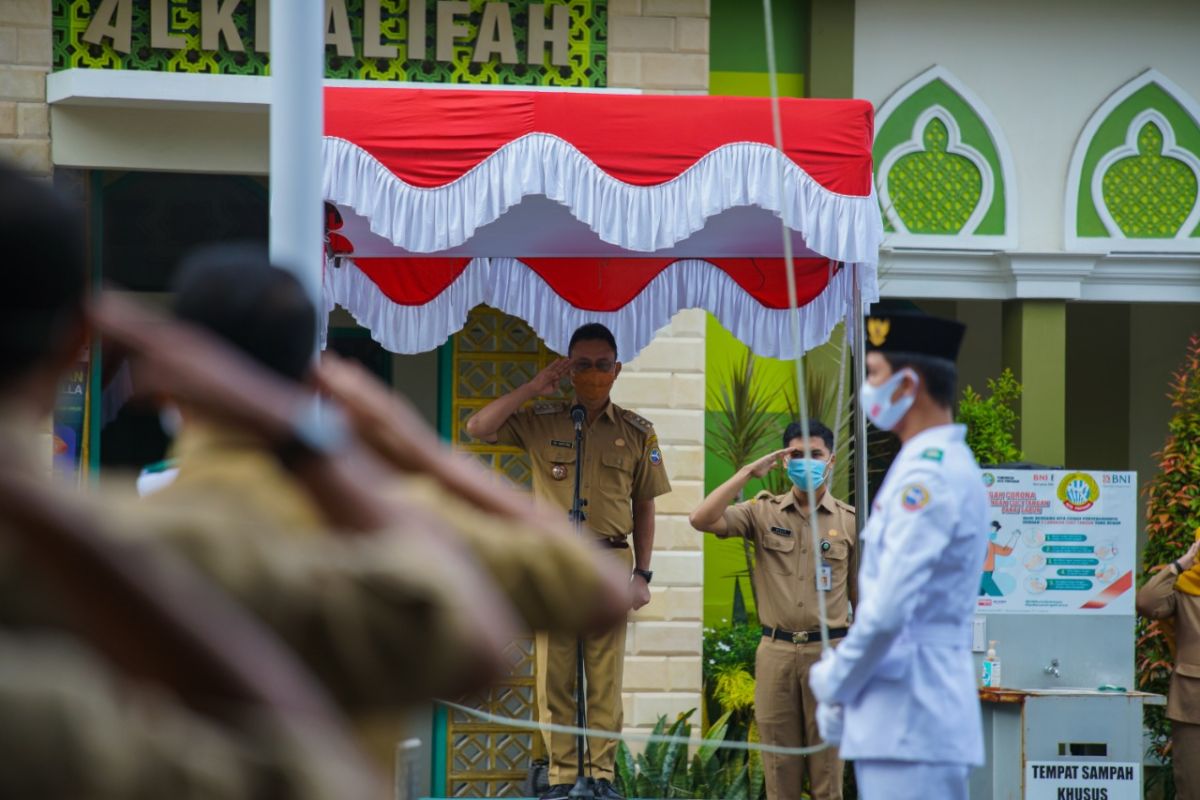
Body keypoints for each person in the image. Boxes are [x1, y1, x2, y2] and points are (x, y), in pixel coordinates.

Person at [144, 245, 632, 769]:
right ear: (318, 377)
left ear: (167, 383)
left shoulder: (123, 528)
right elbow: (593, 589)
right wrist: (424, 455)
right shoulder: (402, 521)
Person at [464, 322, 672, 800]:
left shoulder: (638, 432)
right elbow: (479, 427)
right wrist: (536, 386)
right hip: (554, 562)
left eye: (602, 365)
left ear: (617, 370)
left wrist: (642, 573)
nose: (593, 374)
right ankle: (560, 777)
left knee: (604, 679)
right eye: (583, 365)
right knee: (554, 676)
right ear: (569, 368)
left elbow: (645, 505)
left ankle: (599, 775)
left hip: (609, 562)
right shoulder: (544, 419)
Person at [809, 310, 988, 800]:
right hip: (909, 712)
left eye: (873, 375)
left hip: (911, 712)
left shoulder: (925, 478)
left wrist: (835, 680)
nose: (867, 389)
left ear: (908, 383)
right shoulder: (935, 464)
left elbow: (888, 611)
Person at [688, 420, 857, 800]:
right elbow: (701, 518)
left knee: (828, 773)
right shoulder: (762, 511)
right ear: (783, 461)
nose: (807, 463)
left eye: (815, 455)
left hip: (830, 653)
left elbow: (863, 599)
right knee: (779, 774)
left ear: (830, 461)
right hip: (776, 654)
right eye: (796, 455)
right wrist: (749, 472)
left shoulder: (849, 520)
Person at [1136, 531, 1200, 798]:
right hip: (1193, 704)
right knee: (1192, 787)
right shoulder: (1184, 587)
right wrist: (1180, 563)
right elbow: (1147, 602)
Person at [980, 521, 1015, 597]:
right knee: (998, 598)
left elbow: (1005, 551)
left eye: (994, 531)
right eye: (990, 529)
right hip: (983, 574)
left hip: (988, 573)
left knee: (977, 598)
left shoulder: (990, 544)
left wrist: (1015, 537)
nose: (992, 533)